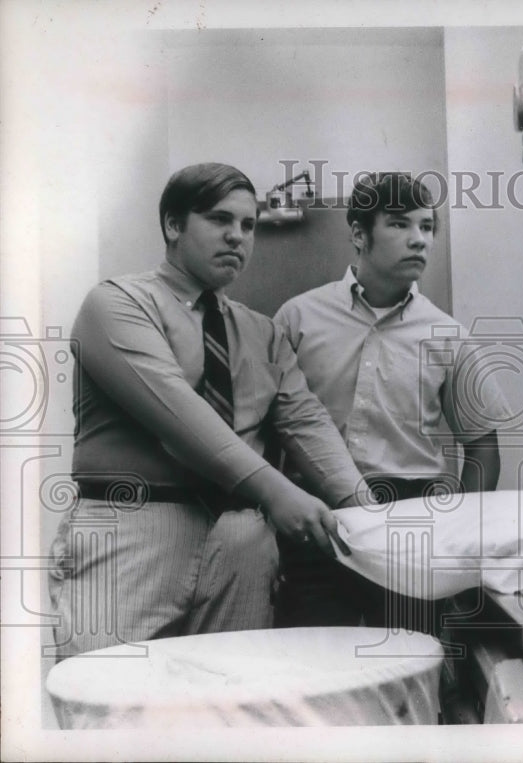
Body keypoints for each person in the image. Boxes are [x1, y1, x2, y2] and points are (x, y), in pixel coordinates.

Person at [49, 163, 371, 659]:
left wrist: (368, 512)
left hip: (240, 538)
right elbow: (178, 415)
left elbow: (308, 423)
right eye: (220, 220)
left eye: (248, 225)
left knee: (229, 707)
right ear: (173, 226)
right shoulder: (117, 305)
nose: (237, 237)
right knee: (117, 707)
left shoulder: (261, 332)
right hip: (135, 527)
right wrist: (276, 490)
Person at [273, 171, 511, 629]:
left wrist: (456, 537)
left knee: (412, 668)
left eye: (427, 227)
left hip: (413, 521)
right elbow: (269, 427)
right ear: (359, 234)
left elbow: (482, 447)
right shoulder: (297, 318)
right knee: (315, 667)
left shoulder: (448, 335)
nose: (419, 240)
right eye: (400, 225)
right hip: (319, 518)